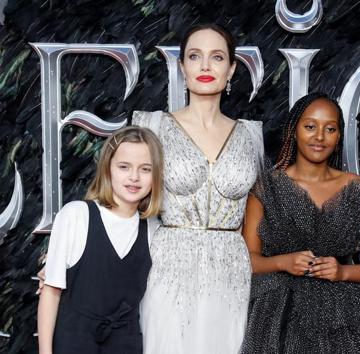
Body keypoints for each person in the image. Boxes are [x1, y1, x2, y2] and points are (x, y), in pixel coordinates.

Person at [132, 23, 263, 354]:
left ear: (232, 68)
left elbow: (259, 218)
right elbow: (120, 202)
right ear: (182, 67)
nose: (205, 66)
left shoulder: (251, 135)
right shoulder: (151, 125)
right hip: (167, 269)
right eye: (195, 56)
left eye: (217, 57)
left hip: (232, 274)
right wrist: (74, 255)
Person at [240, 92, 360, 354]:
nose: (319, 137)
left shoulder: (357, 189)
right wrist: (283, 262)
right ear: (294, 131)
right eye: (310, 127)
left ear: (338, 137)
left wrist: (342, 272)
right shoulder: (266, 187)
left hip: (348, 317)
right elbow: (246, 260)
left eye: (330, 129)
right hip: (278, 320)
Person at [37, 126, 163, 354]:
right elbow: (51, 291)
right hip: (74, 341)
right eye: (124, 167)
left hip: (126, 344)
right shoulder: (76, 215)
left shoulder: (154, 231)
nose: (134, 177)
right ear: (108, 169)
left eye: (145, 169)